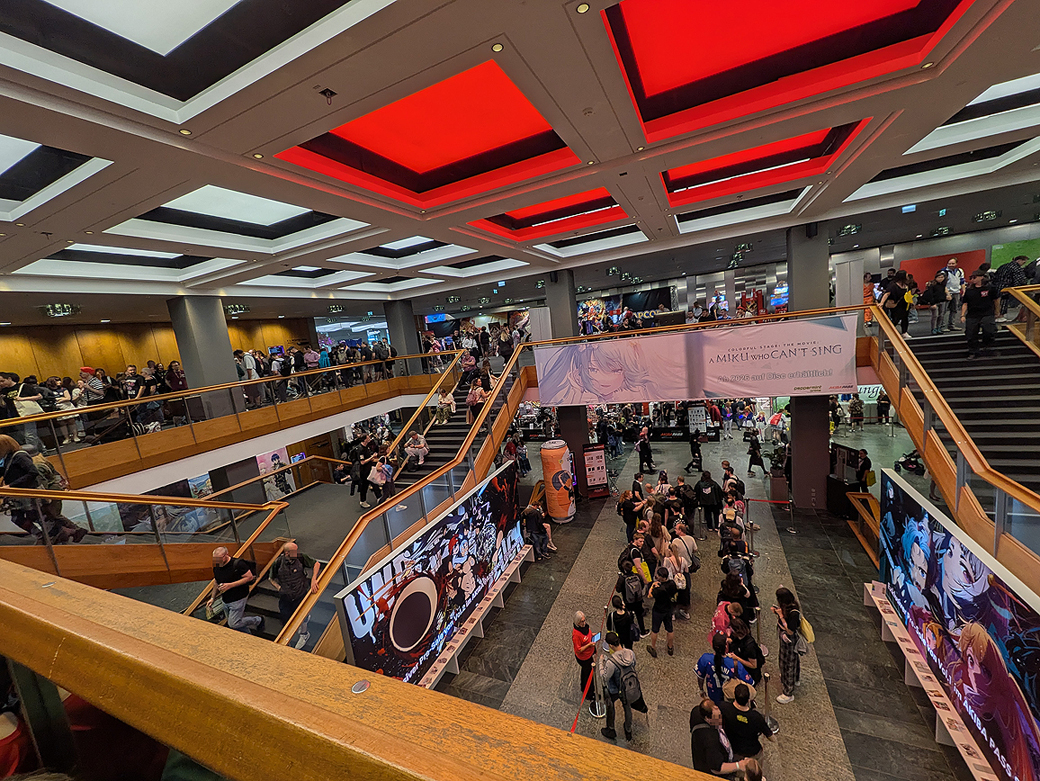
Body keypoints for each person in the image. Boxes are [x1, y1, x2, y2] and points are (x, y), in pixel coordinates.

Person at [269, 542, 321, 649]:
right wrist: (279, 588)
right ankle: (288, 641)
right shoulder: (278, 563)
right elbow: (271, 578)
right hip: (286, 596)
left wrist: (314, 579)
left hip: (300, 593)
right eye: (294, 551)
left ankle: (304, 634)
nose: (297, 552)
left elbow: (316, 564)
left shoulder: (301, 558)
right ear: (287, 553)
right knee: (286, 617)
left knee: (303, 614)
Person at [600, 631, 645, 741]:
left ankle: (610, 729)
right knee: (627, 706)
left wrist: (601, 663)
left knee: (610, 705)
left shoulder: (611, 662)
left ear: (610, 645)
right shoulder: (630, 653)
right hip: (627, 687)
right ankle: (628, 729)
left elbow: (604, 677)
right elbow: (633, 665)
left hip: (615, 688)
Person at [689, 698, 750, 777]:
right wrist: (739, 766)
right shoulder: (710, 740)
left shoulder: (696, 712)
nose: (720, 719)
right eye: (717, 717)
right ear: (708, 718)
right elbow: (717, 768)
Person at [209, 547, 263, 634]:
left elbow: (249, 577)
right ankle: (247, 634)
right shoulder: (217, 565)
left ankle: (257, 620)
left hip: (238, 597)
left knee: (233, 623)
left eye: (219, 558)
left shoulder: (238, 564)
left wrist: (230, 585)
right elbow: (216, 581)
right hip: (225, 599)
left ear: (226, 555)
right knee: (233, 621)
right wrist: (212, 598)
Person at [720, 683, 774, 760]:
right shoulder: (756, 717)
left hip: (733, 749)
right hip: (751, 751)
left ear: (734, 696)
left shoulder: (723, 707)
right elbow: (771, 737)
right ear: (749, 699)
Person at [697, 632, 754, 704]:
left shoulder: (705, 659)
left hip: (713, 695)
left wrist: (701, 690)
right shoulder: (735, 664)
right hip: (729, 697)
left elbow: (700, 677)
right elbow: (750, 682)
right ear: (726, 646)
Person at [773, 586, 802, 703]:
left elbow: (790, 630)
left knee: (788, 663)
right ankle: (794, 679)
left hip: (789, 641)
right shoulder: (787, 607)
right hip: (784, 640)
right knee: (789, 660)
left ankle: (788, 692)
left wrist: (780, 616)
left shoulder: (794, 612)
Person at [961, 269, 998, 359]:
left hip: (987, 313)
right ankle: (973, 352)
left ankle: (987, 348)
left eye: (974, 277)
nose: (972, 279)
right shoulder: (969, 290)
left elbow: (996, 300)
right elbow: (965, 303)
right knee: (971, 334)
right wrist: (962, 315)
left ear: (981, 277)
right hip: (972, 314)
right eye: (971, 278)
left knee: (989, 331)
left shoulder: (990, 288)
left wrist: (997, 311)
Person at [646, 567, 677, 658]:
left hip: (658, 610)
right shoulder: (672, 584)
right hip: (668, 609)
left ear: (662, 577)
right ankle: (670, 647)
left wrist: (653, 585)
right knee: (669, 629)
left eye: (658, 575)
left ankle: (653, 647)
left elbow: (649, 596)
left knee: (655, 630)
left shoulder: (658, 589)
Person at [727, 618, 765, 686]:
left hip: (749, 673)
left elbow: (753, 665)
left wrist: (737, 658)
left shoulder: (749, 646)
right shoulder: (737, 636)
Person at [572, 611, 597, 711]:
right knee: (589, 675)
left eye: (584, 620)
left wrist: (592, 636)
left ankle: (583, 687)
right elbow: (578, 649)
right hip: (584, 658)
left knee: (585, 673)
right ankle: (589, 694)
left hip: (589, 654)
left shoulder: (585, 628)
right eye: (582, 621)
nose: (584, 623)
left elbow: (587, 636)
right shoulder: (576, 635)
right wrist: (589, 645)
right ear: (577, 623)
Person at [994, 255, 1030, 321]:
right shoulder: (1016, 268)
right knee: (1004, 301)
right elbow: (1019, 280)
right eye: (1023, 262)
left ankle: (996, 315)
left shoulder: (1003, 266)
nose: (1023, 264)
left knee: (996, 301)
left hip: (996, 286)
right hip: (1007, 288)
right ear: (1019, 260)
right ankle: (1000, 315)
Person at [879, 270, 912, 339]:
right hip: (895, 305)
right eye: (906, 275)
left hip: (904, 304)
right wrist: (881, 303)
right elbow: (887, 294)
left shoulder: (906, 285)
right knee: (896, 319)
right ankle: (890, 332)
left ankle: (904, 332)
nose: (907, 276)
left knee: (905, 318)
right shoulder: (893, 285)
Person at [944, 257, 966, 330]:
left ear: (956, 264)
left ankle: (952, 325)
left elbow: (962, 282)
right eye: (949, 263)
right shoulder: (944, 271)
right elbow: (942, 284)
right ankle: (942, 326)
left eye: (953, 263)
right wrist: (947, 294)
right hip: (947, 292)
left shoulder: (959, 271)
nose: (951, 265)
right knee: (943, 310)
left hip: (956, 292)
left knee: (954, 310)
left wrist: (964, 291)